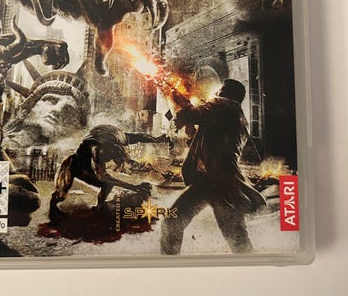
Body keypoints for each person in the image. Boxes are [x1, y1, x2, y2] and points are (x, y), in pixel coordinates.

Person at [161, 79, 266, 255]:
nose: (216, 93)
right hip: (212, 180)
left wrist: (180, 102)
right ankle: (168, 263)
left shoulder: (224, 106)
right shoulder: (235, 114)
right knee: (173, 221)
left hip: (218, 181)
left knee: (239, 243)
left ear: (226, 93)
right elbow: (210, 140)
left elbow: (190, 115)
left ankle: (168, 262)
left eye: (220, 89)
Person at [49, 124, 171, 220]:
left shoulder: (119, 138)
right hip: (75, 166)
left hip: (90, 164)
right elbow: (103, 176)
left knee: (107, 184)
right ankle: (53, 211)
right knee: (61, 194)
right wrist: (134, 187)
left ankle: (100, 207)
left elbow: (141, 136)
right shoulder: (98, 150)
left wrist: (157, 139)